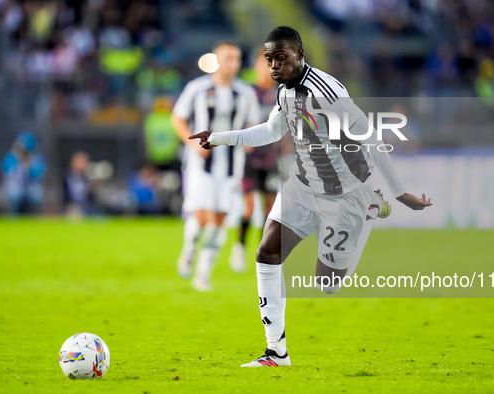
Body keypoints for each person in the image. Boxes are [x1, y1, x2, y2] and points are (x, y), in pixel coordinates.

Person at [190, 26, 432, 367]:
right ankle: (276, 351)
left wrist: (400, 191)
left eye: (281, 58)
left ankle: (371, 207)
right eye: (269, 59)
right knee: (266, 254)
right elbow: (271, 131)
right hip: (302, 188)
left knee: (327, 285)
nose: (274, 66)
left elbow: (372, 140)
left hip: (345, 195)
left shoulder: (328, 92)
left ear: (300, 54)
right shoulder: (285, 91)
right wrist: (219, 137)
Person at [172, 42, 260, 291]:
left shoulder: (245, 93)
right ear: (217, 60)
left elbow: (253, 125)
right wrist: (191, 145)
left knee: (220, 220)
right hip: (201, 164)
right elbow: (177, 117)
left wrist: (250, 141)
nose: (233, 63)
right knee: (201, 217)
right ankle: (189, 250)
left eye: (237, 59)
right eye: (228, 58)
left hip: (232, 166)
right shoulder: (197, 88)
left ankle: (203, 274)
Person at [230, 48, 280, 273]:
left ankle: (263, 253)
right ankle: (239, 247)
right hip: (249, 158)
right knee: (249, 208)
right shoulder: (247, 92)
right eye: (263, 64)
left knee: (270, 209)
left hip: (271, 158)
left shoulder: (281, 93)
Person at [1, 132, 46, 214]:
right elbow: (7, 172)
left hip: (30, 186)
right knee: (15, 193)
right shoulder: (12, 156)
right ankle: (13, 217)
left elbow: (37, 174)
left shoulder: (36, 158)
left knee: (36, 194)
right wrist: (18, 161)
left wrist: (29, 164)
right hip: (17, 186)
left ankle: (34, 216)